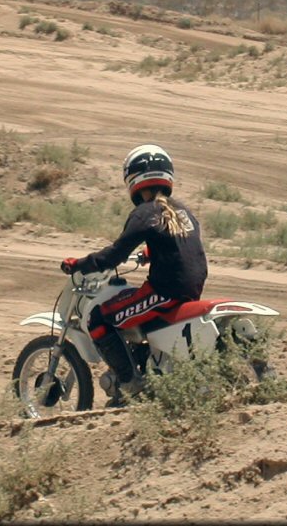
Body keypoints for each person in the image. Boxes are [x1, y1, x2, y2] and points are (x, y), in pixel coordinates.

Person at [61, 144, 208, 406]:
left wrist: (81, 263)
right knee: (130, 309)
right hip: (190, 289)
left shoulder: (145, 212)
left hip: (164, 292)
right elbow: (180, 245)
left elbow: (115, 255)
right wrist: (151, 254)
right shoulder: (183, 211)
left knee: (99, 318)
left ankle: (131, 384)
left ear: (133, 178)